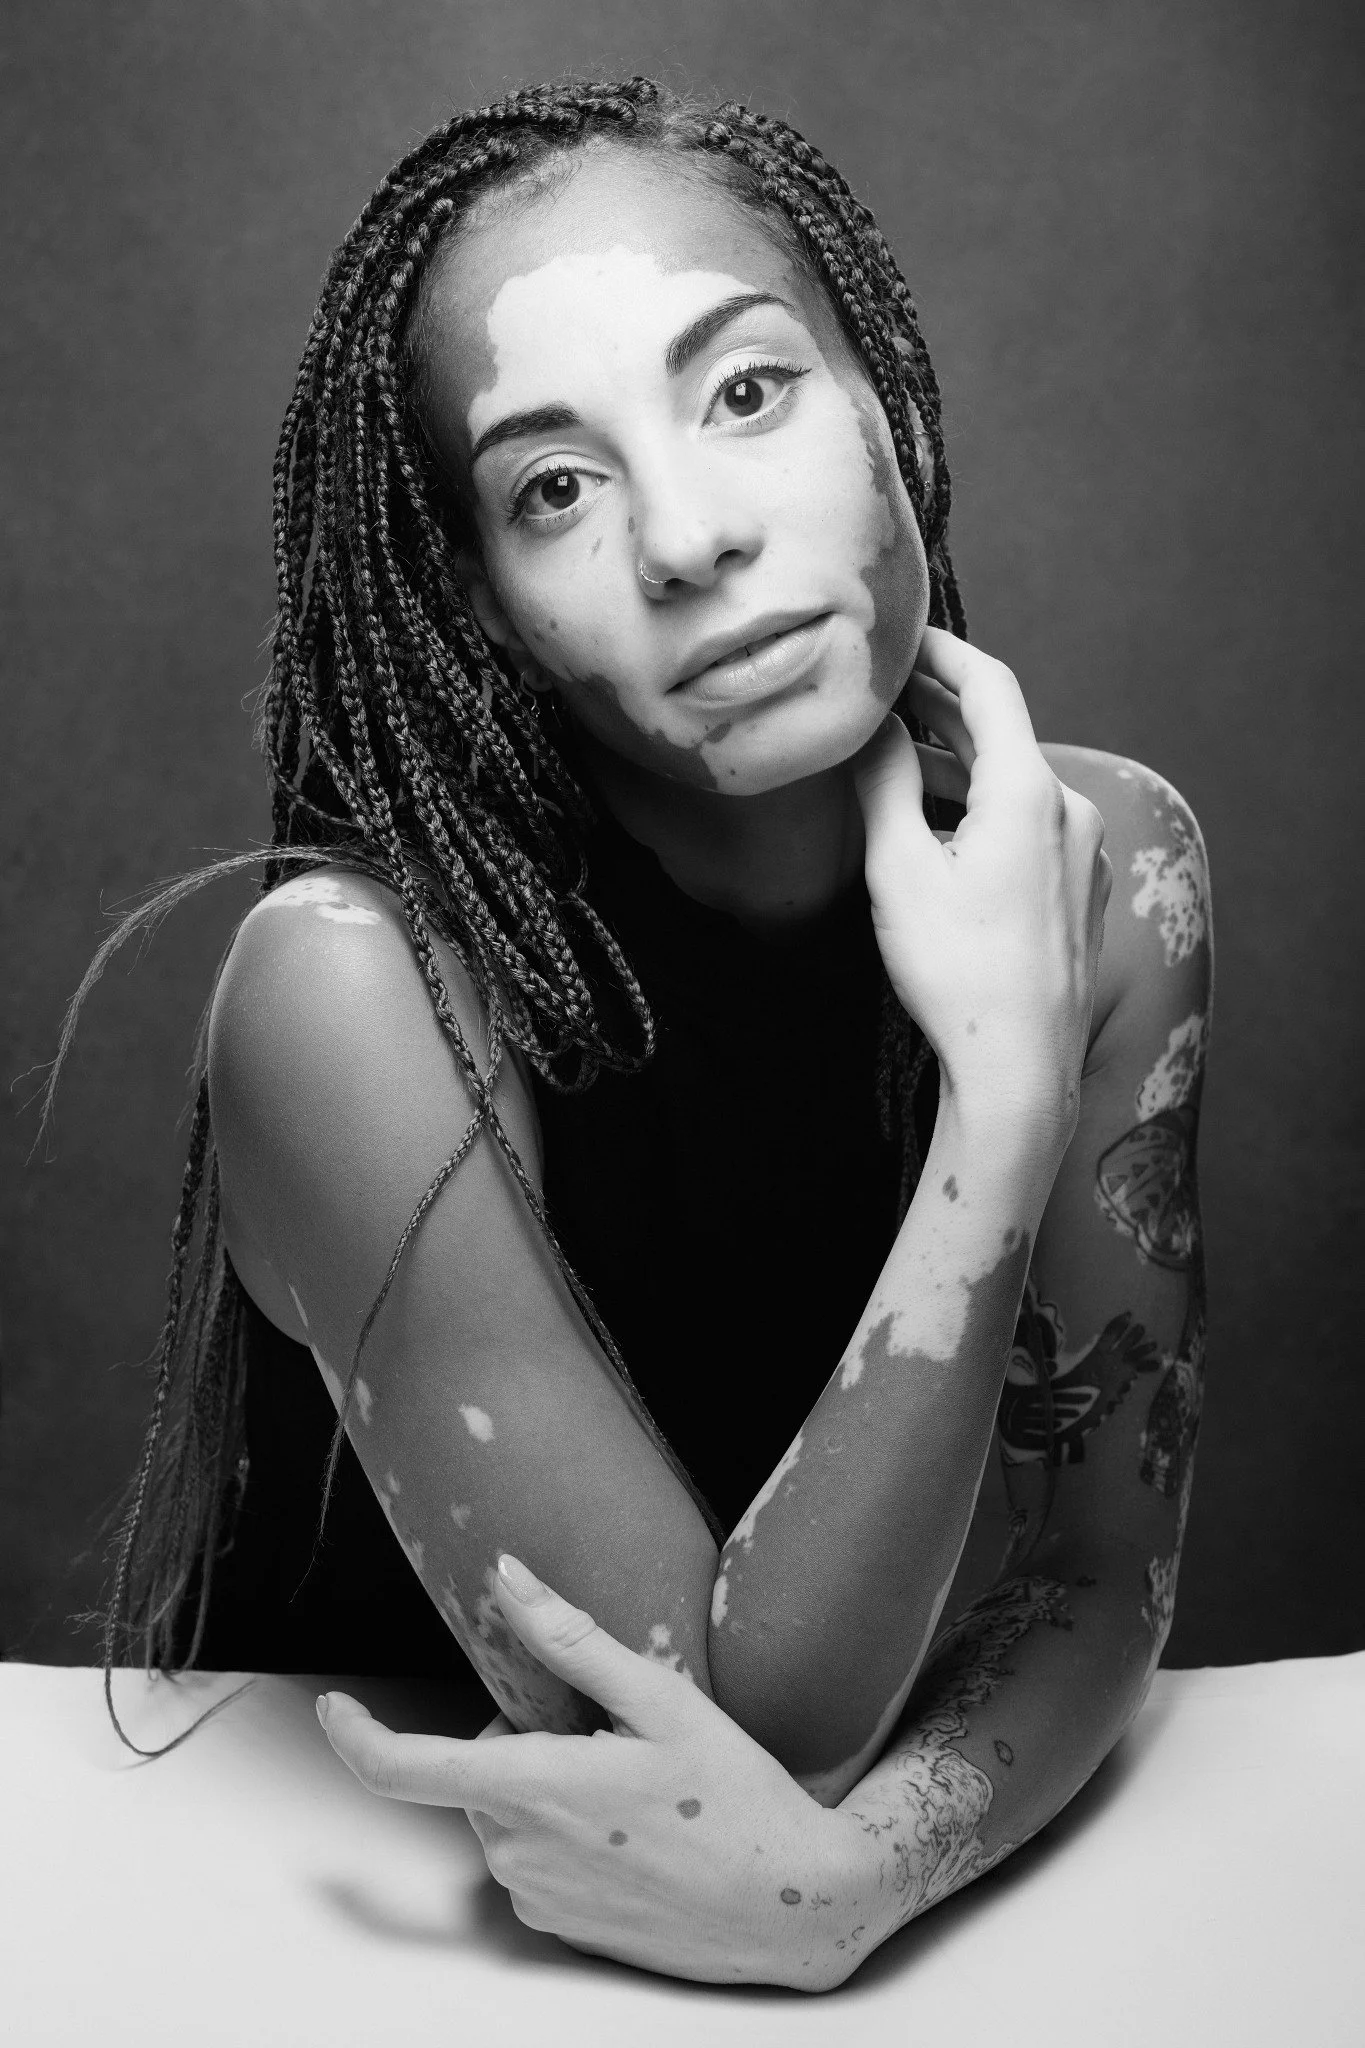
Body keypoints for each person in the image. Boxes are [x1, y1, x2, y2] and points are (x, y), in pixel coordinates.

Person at [75, 77, 1211, 1989]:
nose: (688, 536)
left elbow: (1100, 1582)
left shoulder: (1115, 865)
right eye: (555, 486)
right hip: (317, 1946)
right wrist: (1000, 1104)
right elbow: (733, 1750)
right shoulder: (347, 989)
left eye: (747, 392)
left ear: (899, 413)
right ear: (489, 611)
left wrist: (879, 1881)